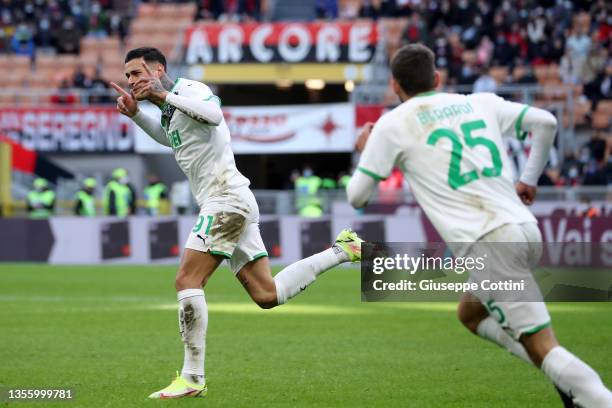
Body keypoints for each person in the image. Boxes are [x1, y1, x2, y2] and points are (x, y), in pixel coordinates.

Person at [347, 43, 612, 407]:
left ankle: (584, 392)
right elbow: (546, 122)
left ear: (395, 86)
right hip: (524, 228)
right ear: (437, 78)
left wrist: (369, 152)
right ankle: (565, 380)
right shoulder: (479, 101)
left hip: (489, 244)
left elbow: (357, 196)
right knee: (470, 313)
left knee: (543, 344)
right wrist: (529, 179)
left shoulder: (393, 124)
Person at [110, 47, 364, 399]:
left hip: (225, 199)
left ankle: (192, 378)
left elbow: (214, 116)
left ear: (158, 69)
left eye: (137, 73)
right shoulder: (170, 109)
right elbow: (173, 139)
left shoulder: (188, 90)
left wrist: (162, 95)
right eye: (128, 77)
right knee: (266, 294)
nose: (132, 81)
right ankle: (343, 251)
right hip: (231, 201)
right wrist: (138, 114)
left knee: (187, 279)